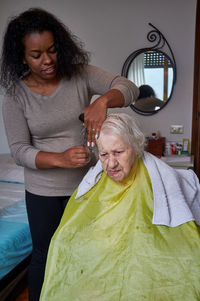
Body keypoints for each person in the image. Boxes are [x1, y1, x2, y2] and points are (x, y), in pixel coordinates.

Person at [0, 8, 139, 301]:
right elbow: (19, 151)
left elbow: (129, 87)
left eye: (51, 50)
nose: (47, 60)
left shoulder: (80, 75)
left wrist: (102, 101)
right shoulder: (15, 94)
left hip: (86, 187)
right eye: (36, 55)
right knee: (44, 255)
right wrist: (60, 159)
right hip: (41, 192)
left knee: (89, 252)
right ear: (21, 56)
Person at [40, 113, 200, 301]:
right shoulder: (94, 183)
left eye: (118, 152)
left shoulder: (159, 178)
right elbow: (71, 233)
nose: (111, 164)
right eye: (104, 154)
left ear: (136, 146)